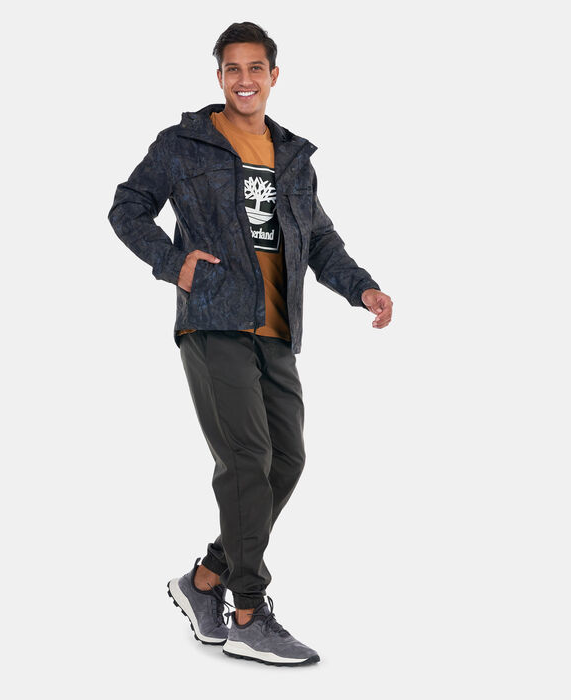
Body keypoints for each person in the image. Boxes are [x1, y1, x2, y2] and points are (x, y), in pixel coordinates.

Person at [108, 21, 393, 666]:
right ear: (219, 77)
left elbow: (318, 239)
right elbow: (128, 207)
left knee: (284, 461)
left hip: (277, 329)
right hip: (214, 321)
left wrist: (362, 288)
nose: (244, 80)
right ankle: (246, 611)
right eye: (232, 69)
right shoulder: (184, 144)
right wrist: (173, 262)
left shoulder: (291, 156)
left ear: (273, 76)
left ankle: (205, 578)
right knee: (246, 459)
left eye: (255, 68)